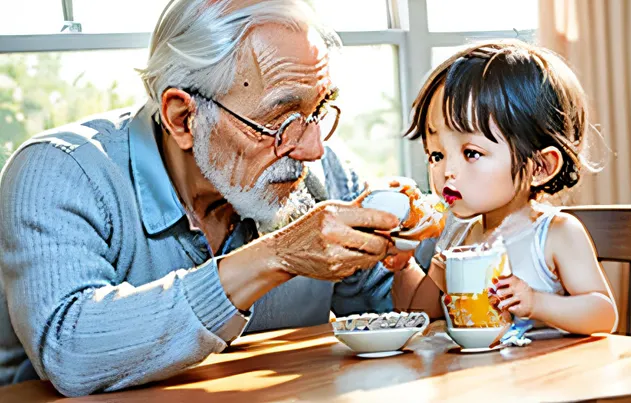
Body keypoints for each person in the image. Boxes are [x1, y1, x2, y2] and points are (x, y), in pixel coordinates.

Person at [0, 0, 403, 396]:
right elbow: (70, 353)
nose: (313, 148)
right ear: (182, 118)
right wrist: (277, 256)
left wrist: (438, 232)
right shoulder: (60, 172)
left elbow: (400, 314)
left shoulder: (320, 173)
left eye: (319, 110)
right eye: (281, 120)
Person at [390, 40, 618, 338]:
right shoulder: (458, 234)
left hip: (548, 376)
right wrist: (404, 265)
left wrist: (537, 303)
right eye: (436, 155)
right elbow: (418, 316)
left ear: (540, 167)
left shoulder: (555, 234)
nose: (447, 171)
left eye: (471, 153)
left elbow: (603, 315)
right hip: (476, 378)